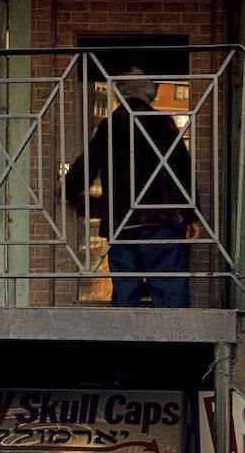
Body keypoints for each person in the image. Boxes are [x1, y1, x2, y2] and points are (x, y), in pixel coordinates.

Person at [65, 67, 200, 307]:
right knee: (170, 291)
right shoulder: (162, 122)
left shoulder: (111, 125)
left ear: (120, 96)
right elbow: (183, 168)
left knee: (125, 290)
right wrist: (192, 214)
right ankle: (176, 343)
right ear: (148, 95)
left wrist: (68, 190)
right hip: (161, 220)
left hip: (122, 222)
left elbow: (88, 164)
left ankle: (125, 342)